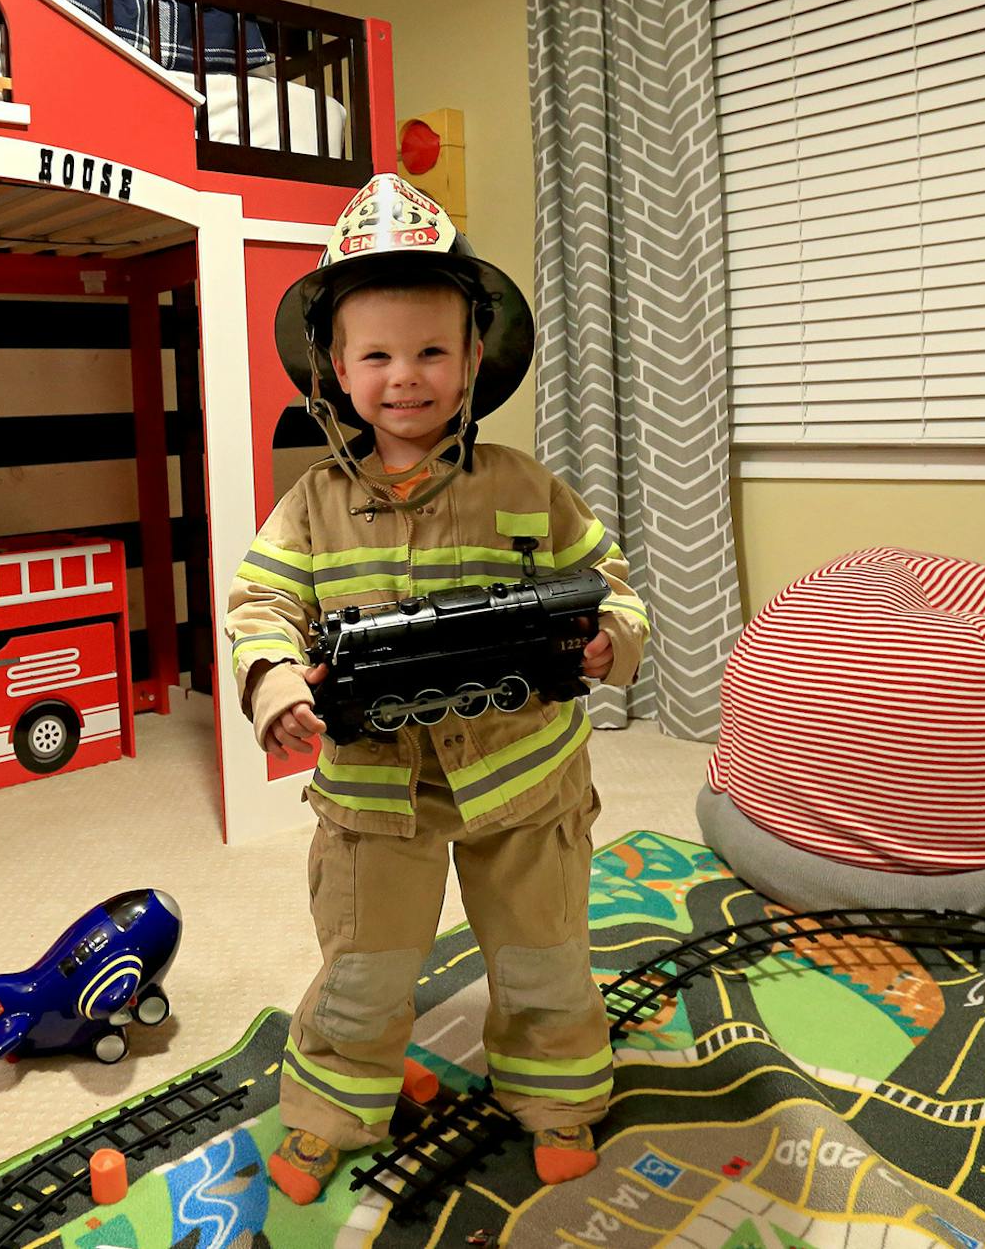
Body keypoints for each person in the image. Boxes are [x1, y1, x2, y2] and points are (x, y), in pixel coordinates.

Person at [224, 173, 650, 1205]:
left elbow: (614, 583)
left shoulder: (522, 485)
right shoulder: (312, 505)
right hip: (377, 795)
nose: (404, 378)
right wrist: (276, 678)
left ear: (472, 362)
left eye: (430, 352)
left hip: (527, 778)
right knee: (365, 966)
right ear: (334, 369)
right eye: (376, 355)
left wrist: (609, 643)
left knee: (545, 950)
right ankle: (332, 1106)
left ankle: (557, 1097)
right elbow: (256, 608)